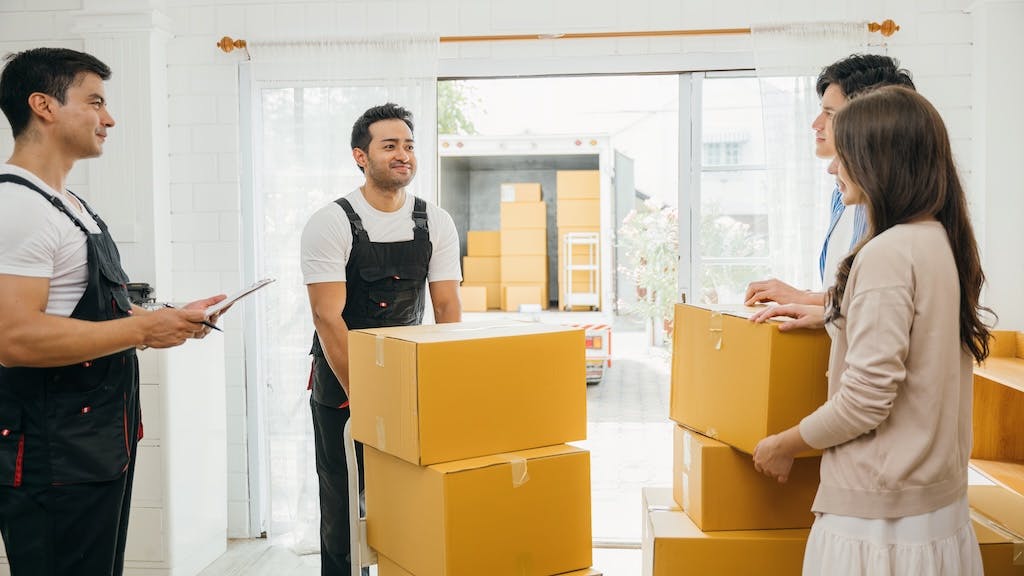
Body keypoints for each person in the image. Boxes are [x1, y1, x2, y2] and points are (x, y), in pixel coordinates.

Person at [0, 47, 227, 575]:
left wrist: (167, 316)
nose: (110, 118)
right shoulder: (19, 207)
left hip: (96, 444)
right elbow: (14, 338)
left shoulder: (68, 203)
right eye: (95, 101)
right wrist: (144, 329)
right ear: (44, 105)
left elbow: (87, 310)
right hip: (53, 457)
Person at [750, 86, 992, 575]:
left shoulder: (886, 254)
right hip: (936, 511)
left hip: (879, 524)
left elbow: (864, 401)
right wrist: (834, 314)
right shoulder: (939, 241)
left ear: (879, 162)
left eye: (844, 157)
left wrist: (785, 445)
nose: (832, 169)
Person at [301, 103, 462, 575]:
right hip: (343, 380)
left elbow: (447, 307)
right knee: (344, 504)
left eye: (408, 145)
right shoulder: (330, 222)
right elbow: (326, 316)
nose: (402, 155)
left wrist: (446, 381)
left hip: (408, 382)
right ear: (360, 156)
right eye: (389, 145)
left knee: (408, 503)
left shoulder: (435, 222)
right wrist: (364, 393)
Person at [744, 54, 915, 310]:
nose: (816, 124)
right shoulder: (841, 195)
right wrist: (807, 300)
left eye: (830, 114)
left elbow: (876, 304)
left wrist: (803, 300)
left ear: (868, 120)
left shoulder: (898, 212)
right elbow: (850, 298)